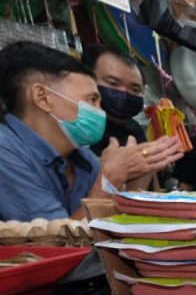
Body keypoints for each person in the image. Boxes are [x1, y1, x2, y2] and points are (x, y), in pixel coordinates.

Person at [0, 41, 182, 221]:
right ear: (43, 98)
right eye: (92, 100)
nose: (100, 112)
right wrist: (110, 177)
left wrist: (143, 166)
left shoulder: (81, 157)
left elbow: (113, 222)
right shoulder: (5, 153)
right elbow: (58, 244)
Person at [83, 46, 160, 191]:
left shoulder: (135, 130)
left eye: (135, 89)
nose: (124, 93)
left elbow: (148, 184)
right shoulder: (79, 125)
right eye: (112, 83)